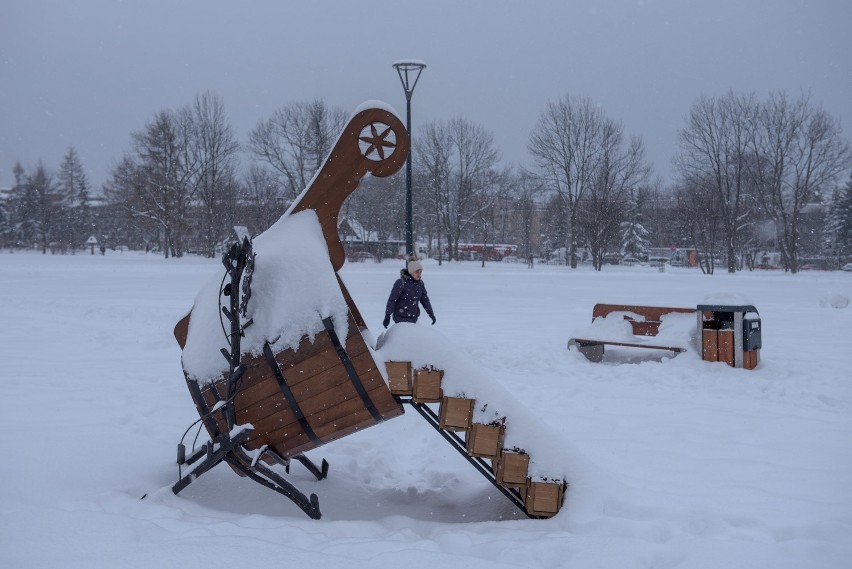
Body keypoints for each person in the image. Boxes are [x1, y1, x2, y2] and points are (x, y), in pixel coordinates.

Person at [383, 258, 436, 327]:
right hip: (400, 318)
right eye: (417, 272)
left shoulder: (420, 284)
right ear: (411, 272)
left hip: (413, 318)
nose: (419, 274)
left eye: (420, 272)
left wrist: (431, 314)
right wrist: (387, 316)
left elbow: (425, 301)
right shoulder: (401, 283)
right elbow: (392, 300)